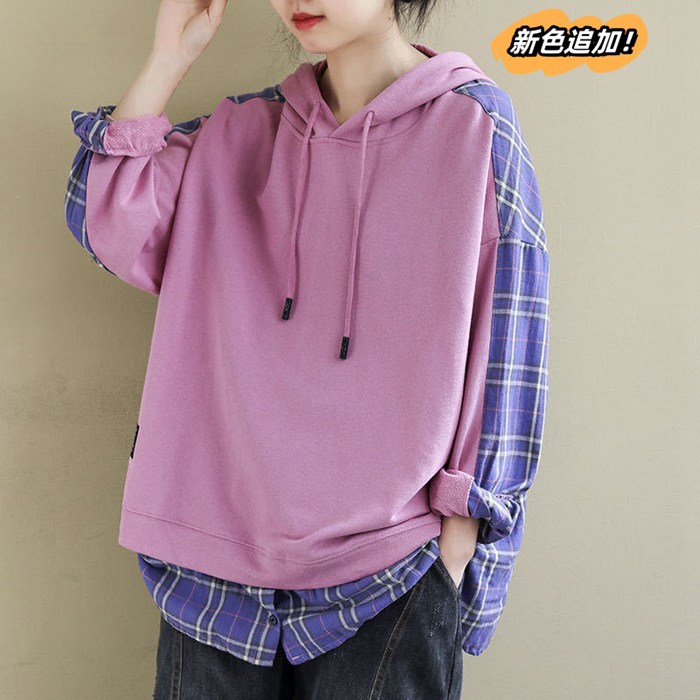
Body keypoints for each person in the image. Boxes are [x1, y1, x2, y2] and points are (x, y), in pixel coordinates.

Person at [63, 0, 551, 697]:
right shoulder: (239, 132)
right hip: (213, 573)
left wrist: (459, 551)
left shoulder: (474, 128)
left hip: (391, 574)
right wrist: (170, 57)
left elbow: (510, 344)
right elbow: (109, 220)